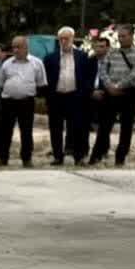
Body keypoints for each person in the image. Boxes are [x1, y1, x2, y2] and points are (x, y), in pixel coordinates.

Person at [95, 24, 135, 167]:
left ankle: (120, 157)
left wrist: (119, 86)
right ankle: (97, 155)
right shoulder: (112, 53)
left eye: (124, 36)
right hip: (111, 93)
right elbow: (103, 70)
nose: (121, 39)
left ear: (131, 36)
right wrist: (110, 86)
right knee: (104, 125)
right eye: (119, 36)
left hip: (128, 93)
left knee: (126, 127)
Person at [43, 27, 94, 166]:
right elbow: (46, 79)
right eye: (61, 39)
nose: (64, 41)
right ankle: (58, 156)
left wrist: (85, 93)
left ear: (73, 39)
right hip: (56, 97)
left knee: (77, 127)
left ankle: (78, 156)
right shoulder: (50, 58)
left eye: (67, 38)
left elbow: (88, 77)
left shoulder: (82, 56)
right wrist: (48, 96)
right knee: (55, 128)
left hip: (75, 97)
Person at [0, 36, 46, 167]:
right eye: (13, 47)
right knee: (5, 131)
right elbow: (0, 83)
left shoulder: (37, 63)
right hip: (8, 102)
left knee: (26, 131)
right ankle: (3, 158)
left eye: (18, 47)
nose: (15, 50)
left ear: (26, 47)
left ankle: (26, 159)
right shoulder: (7, 63)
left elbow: (41, 83)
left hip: (26, 102)